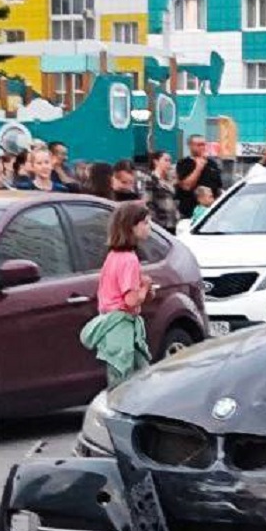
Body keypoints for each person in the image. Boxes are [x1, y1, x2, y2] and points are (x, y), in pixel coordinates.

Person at [79, 202, 152, 388]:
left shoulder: (113, 256)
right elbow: (130, 300)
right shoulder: (129, 259)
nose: (149, 227)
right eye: (145, 223)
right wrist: (145, 287)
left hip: (110, 323)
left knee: (133, 374)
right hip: (121, 326)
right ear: (131, 227)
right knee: (126, 378)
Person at [175, 135, 222, 218]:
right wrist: (198, 168)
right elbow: (186, 186)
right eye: (198, 145)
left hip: (210, 211)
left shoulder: (212, 164)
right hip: (190, 212)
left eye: (203, 144)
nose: (202, 147)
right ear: (190, 146)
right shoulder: (184, 163)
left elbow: (218, 188)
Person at [146, 150, 179, 232]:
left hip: (172, 221)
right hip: (160, 222)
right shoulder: (150, 179)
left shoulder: (169, 180)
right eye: (166, 160)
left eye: (170, 161)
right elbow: (148, 202)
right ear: (156, 162)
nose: (168, 163)